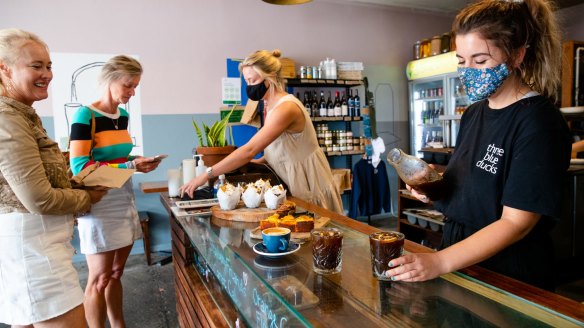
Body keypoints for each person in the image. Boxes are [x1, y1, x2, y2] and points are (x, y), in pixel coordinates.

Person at [387, 0, 571, 291]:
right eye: (461, 61)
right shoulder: (474, 112)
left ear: (517, 55)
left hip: (510, 271)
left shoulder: (538, 121)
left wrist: (440, 262)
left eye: (481, 60)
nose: (468, 71)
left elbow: (516, 222)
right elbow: (475, 183)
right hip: (463, 257)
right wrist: (434, 185)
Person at [0, 28, 106, 327]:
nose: (47, 74)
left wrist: (73, 184)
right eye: (36, 66)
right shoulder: (7, 117)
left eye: (48, 66)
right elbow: (38, 198)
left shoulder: (20, 113)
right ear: (3, 68)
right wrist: (87, 196)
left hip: (36, 246)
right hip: (33, 251)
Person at [180, 49, 343, 214]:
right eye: (247, 82)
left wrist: (205, 175)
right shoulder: (270, 105)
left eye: (253, 81)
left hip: (310, 182)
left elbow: (250, 150)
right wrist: (257, 163)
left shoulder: (286, 108)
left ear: (269, 77)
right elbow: (283, 146)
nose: (249, 87)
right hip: (294, 181)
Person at [68, 55, 161, 327]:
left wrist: (138, 164)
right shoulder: (85, 115)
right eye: (128, 86)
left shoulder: (122, 116)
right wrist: (131, 164)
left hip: (124, 198)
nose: (132, 93)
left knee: (116, 272)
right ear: (110, 80)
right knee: (98, 279)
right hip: (99, 203)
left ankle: (118, 324)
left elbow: (116, 157)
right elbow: (79, 166)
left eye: (135, 87)